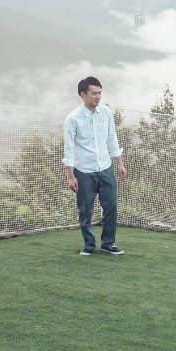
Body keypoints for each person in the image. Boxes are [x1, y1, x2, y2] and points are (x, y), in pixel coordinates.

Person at [63, 76, 128, 256]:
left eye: (99, 93)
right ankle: (89, 245)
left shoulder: (106, 113)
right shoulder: (73, 118)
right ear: (82, 94)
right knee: (85, 210)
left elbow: (112, 139)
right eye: (94, 94)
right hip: (83, 171)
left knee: (111, 207)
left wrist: (120, 164)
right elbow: (68, 148)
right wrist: (70, 176)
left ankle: (108, 243)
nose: (97, 97)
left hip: (106, 168)